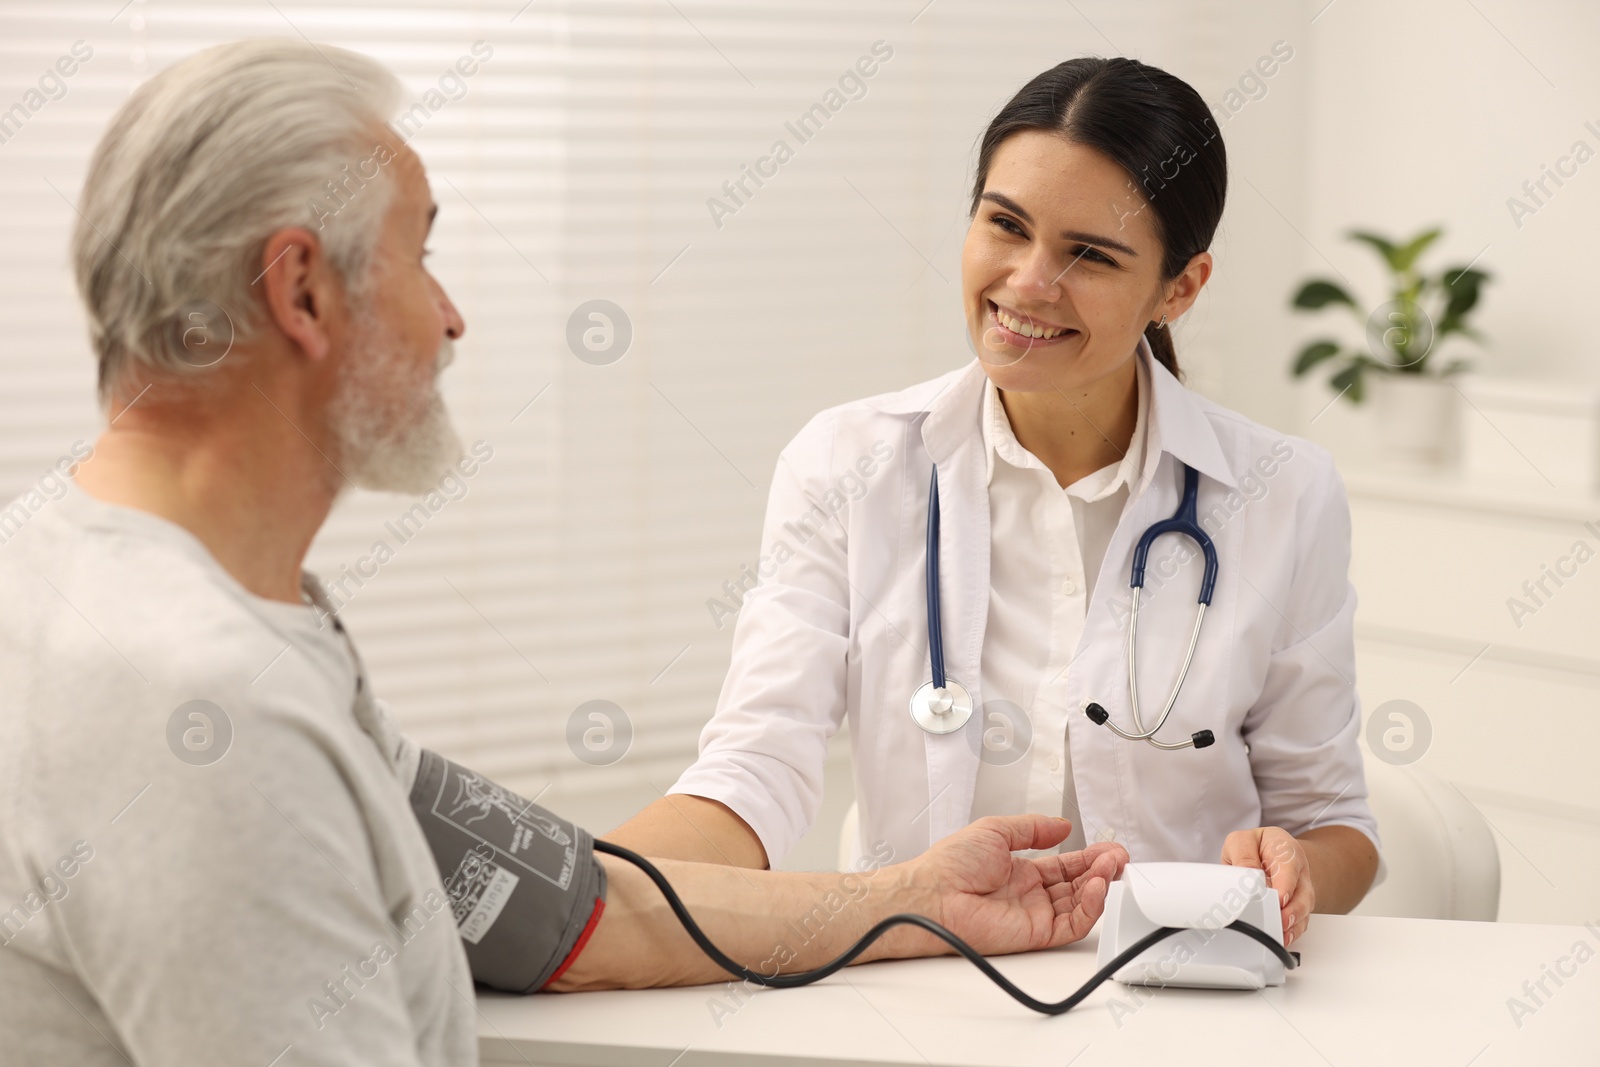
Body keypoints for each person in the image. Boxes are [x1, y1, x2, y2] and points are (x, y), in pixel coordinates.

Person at [0, 41, 1128, 1066]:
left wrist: (910, 902)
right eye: (421, 252)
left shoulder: (173, 602)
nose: (449, 317)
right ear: (300, 287)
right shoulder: (201, 708)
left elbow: (557, 905)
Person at [611, 57, 1383, 949]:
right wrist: (568, 893)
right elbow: (753, 769)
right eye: (1004, 224)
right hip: (921, 982)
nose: (1027, 282)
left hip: (1177, 985)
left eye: (1089, 254)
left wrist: (1294, 865)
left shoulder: (1282, 494)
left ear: (1181, 287)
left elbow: (1335, 825)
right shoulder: (848, 465)